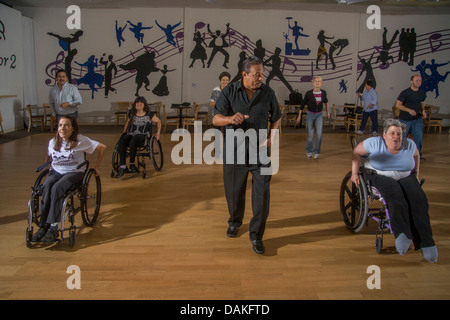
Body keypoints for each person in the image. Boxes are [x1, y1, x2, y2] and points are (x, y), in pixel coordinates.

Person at [213, 56, 281, 255]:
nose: (260, 77)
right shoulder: (230, 91)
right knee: (234, 194)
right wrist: (229, 119)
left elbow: (276, 117)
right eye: (256, 74)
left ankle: (256, 235)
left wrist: (271, 137)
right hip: (235, 152)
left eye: (261, 74)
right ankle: (234, 222)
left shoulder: (268, 93)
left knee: (262, 196)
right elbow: (216, 118)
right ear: (244, 74)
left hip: (261, 153)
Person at [351, 119, 437, 263]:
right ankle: (402, 234)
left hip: (405, 175)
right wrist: (354, 173)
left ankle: (426, 243)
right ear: (384, 134)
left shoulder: (409, 144)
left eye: (399, 134)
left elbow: (416, 155)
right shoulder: (374, 143)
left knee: (420, 200)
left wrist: (416, 174)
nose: (396, 136)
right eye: (392, 133)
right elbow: (356, 152)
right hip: (380, 175)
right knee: (396, 196)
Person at [31, 115, 106, 243]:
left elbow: (102, 147)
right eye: (60, 125)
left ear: (72, 129)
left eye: (66, 125)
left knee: (57, 188)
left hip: (74, 172)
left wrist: (97, 167)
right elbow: (48, 154)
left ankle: (53, 227)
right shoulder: (53, 141)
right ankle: (44, 226)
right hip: (56, 171)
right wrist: (46, 164)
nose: (62, 128)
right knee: (46, 187)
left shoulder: (80, 140)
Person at [115, 96, 161, 178]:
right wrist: (124, 132)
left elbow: (158, 121)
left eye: (141, 102)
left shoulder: (149, 114)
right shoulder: (132, 114)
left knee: (134, 140)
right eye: (137, 102)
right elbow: (127, 122)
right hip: (132, 134)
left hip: (143, 136)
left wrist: (158, 132)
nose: (139, 104)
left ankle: (132, 164)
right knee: (123, 140)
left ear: (144, 105)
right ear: (134, 104)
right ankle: (123, 166)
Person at [297, 76, 330, 159]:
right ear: (313, 83)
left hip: (319, 115)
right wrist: (299, 115)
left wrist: (327, 112)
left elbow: (326, 102)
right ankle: (309, 150)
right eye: (316, 81)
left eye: (319, 81)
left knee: (319, 134)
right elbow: (303, 104)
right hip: (310, 115)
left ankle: (316, 152)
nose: (317, 82)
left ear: (321, 83)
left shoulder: (324, 92)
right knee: (311, 134)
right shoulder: (309, 93)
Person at [396, 74, 427, 160]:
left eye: (420, 81)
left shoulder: (421, 93)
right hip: (405, 119)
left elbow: (421, 102)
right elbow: (398, 105)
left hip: (417, 119)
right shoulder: (405, 93)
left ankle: (417, 155)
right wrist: (409, 110)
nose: (419, 82)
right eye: (417, 80)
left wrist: (423, 111)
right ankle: (400, 154)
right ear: (411, 81)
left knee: (419, 137)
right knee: (402, 137)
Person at [210, 72, 231, 159]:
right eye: (223, 80)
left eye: (227, 80)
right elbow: (212, 103)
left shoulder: (231, 89)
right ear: (220, 80)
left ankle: (227, 152)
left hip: (227, 116)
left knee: (228, 135)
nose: (225, 82)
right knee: (217, 134)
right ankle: (217, 152)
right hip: (217, 116)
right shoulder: (216, 90)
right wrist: (221, 105)